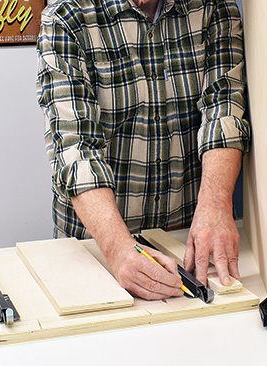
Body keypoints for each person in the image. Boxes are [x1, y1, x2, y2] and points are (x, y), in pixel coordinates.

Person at [36, 0, 250, 300]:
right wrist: (118, 248)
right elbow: (76, 150)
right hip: (97, 245)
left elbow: (224, 110)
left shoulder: (213, 6)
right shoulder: (66, 17)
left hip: (185, 236)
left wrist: (216, 205)